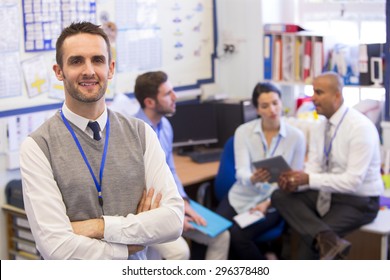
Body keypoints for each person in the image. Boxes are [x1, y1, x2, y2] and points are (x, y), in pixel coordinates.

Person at [19, 22, 184, 260]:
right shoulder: (37, 146)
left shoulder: (142, 133)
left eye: (97, 60)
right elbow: (55, 247)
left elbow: (173, 221)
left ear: (110, 68)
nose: (89, 71)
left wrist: (98, 226)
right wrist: (125, 247)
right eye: (76, 61)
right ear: (58, 71)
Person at [272, 71, 384, 260]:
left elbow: (352, 182)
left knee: (307, 247)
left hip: (360, 201)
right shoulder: (320, 127)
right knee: (280, 195)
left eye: (319, 92)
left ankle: (322, 240)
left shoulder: (360, 128)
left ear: (337, 96)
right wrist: (297, 181)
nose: (313, 98)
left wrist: (308, 179)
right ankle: (328, 239)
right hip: (330, 194)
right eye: (313, 92)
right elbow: (314, 170)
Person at [133, 71, 230, 260]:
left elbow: (170, 170)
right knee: (180, 252)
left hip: (171, 203)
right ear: (150, 102)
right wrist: (174, 215)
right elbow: (138, 188)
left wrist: (184, 202)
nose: (175, 97)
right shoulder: (134, 131)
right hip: (147, 211)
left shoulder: (166, 126)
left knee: (221, 236)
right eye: (168, 94)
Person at [215, 82, 306, 260]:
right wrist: (252, 178)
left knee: (238, 236)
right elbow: (240, 172)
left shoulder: (296, 137)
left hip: (273, 202)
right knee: (216, 232)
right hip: (241, 195)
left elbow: (295, 182)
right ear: (257, 109)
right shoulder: (243, 132)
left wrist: (268, 204)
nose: (272, 109)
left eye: (275, 103)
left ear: (281, 103)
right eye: (265, 106)